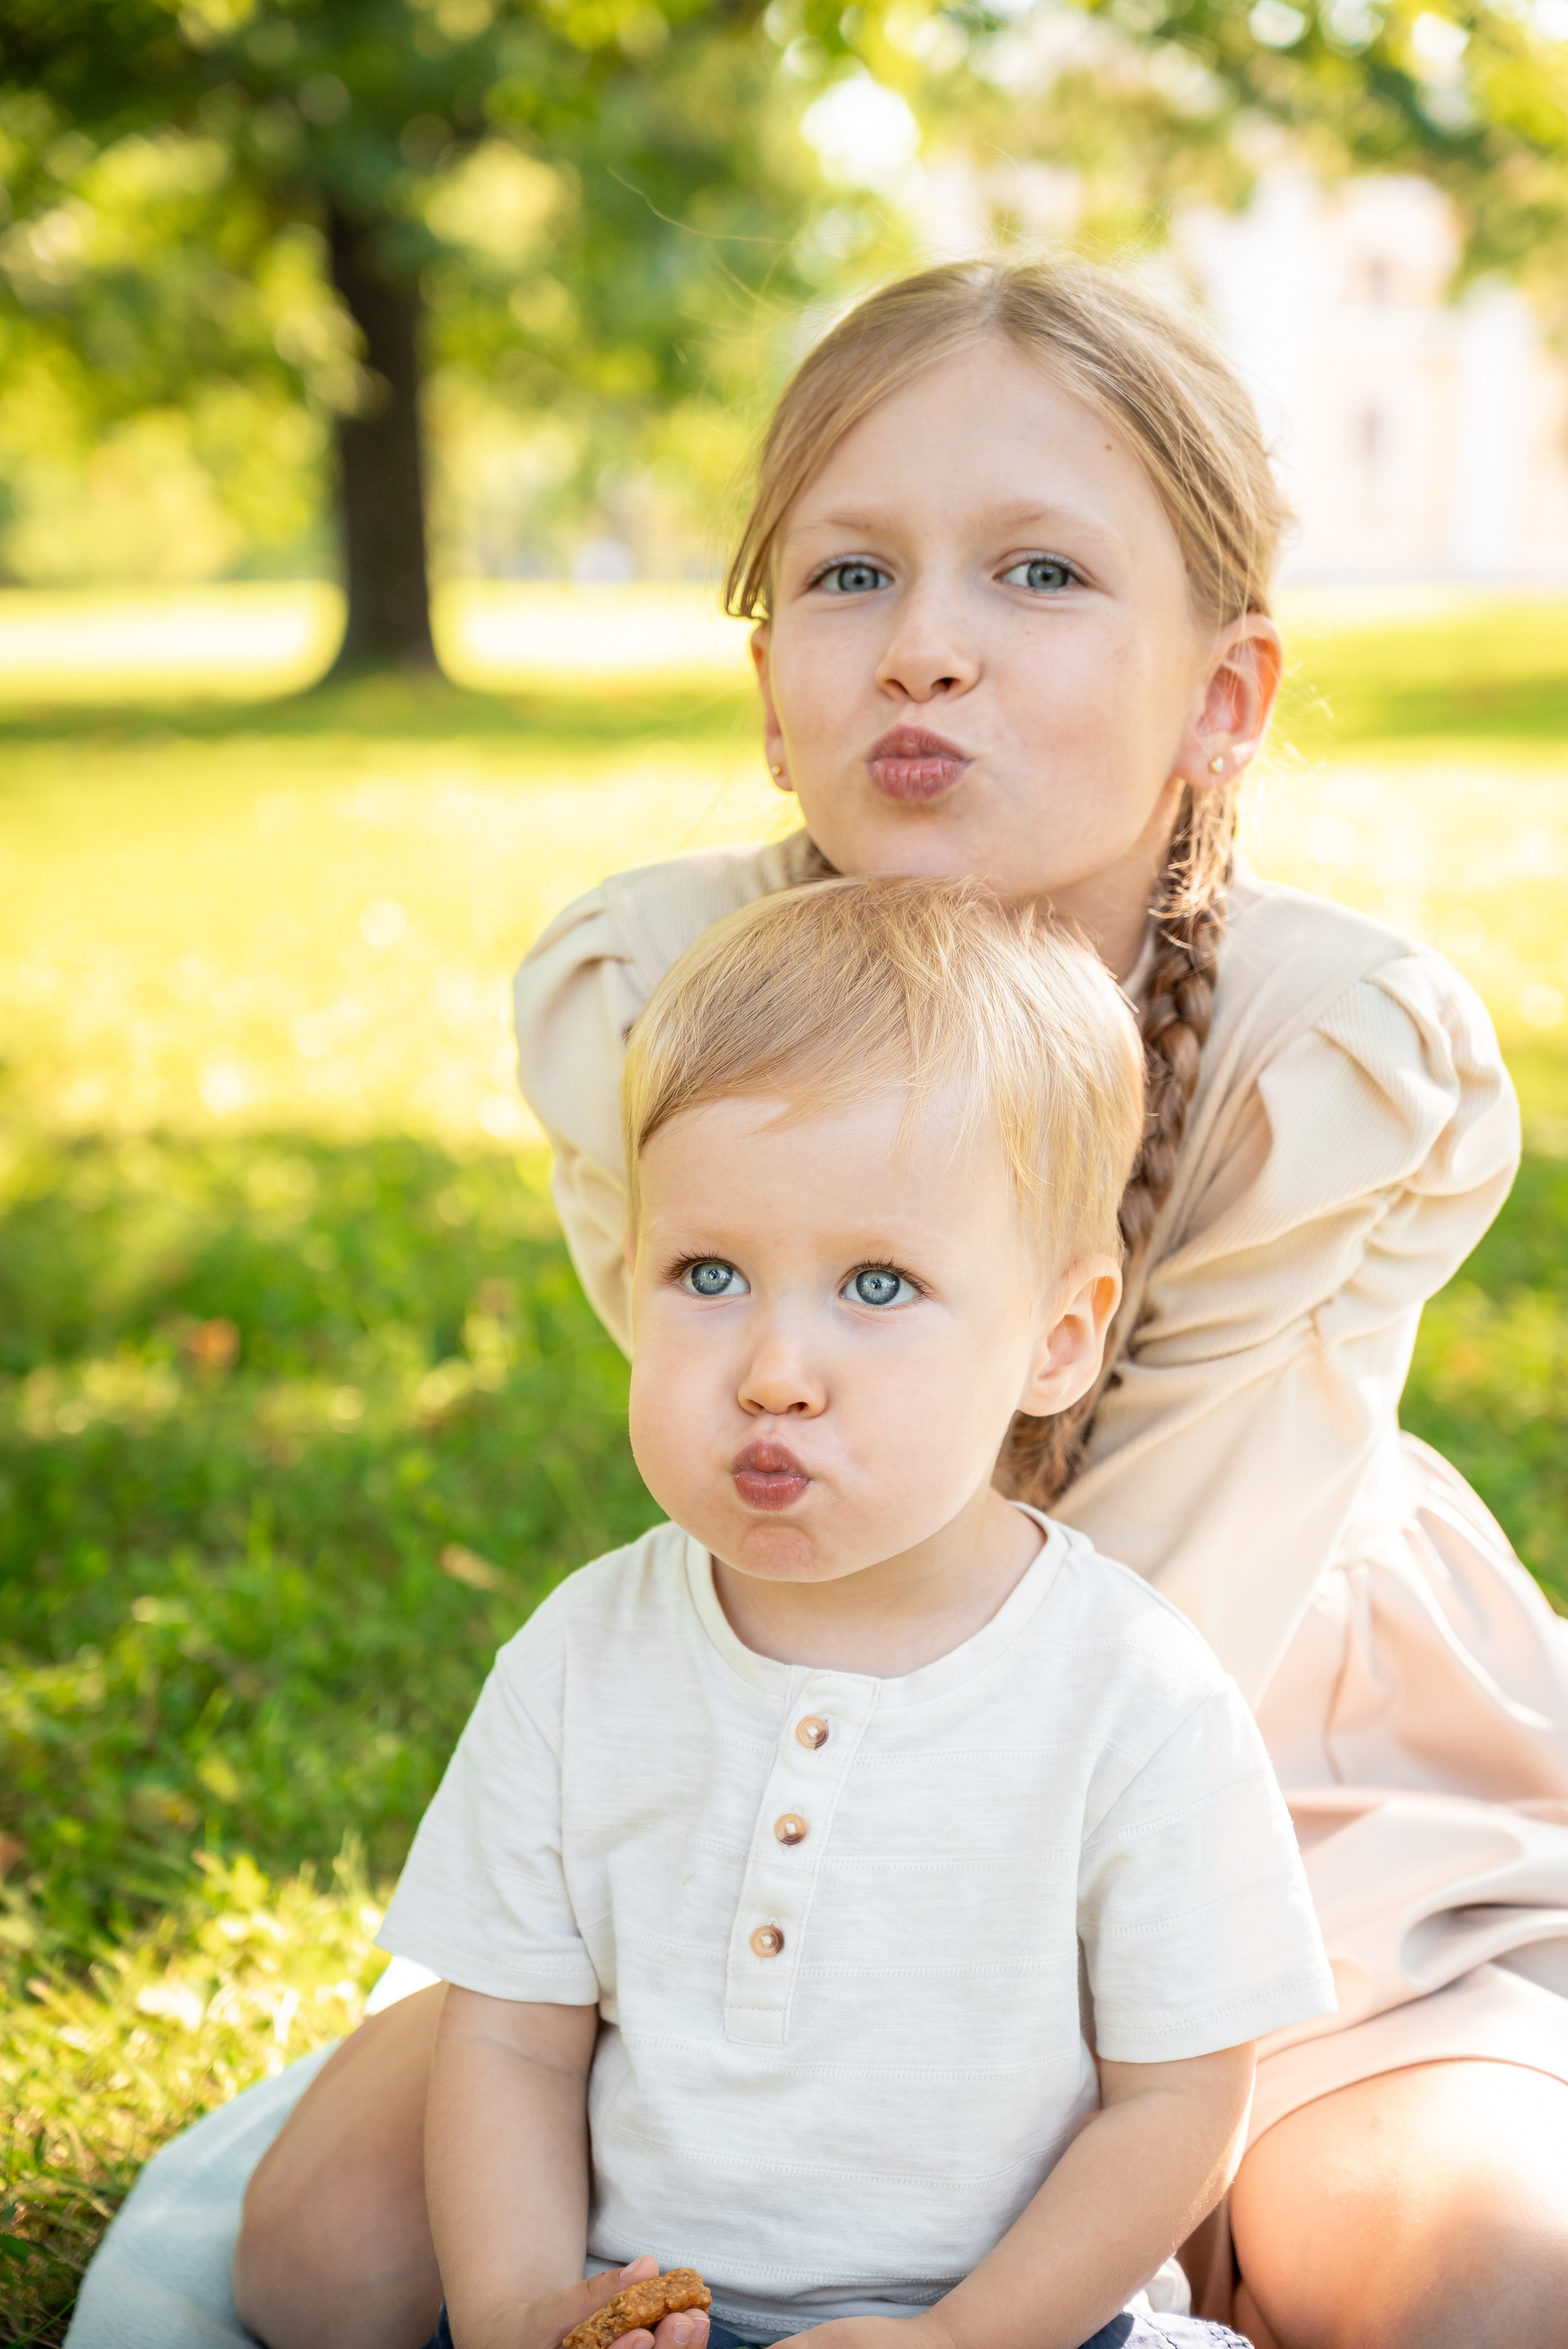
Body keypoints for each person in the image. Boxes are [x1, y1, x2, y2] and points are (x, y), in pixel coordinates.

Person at [69, 258, 1568, 2349]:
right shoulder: (657, 989)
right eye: (852, 575)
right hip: (804, 1673)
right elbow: (755, 1447)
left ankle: (1223, 2181)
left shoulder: (1328, 1053)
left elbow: (1165, 1622)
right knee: (329, 2254)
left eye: (1039, 573)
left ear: (1225, 696)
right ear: (773, 681)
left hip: (1242, 1727)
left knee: (1480, 2278)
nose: (928, 649)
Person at [377, 874, 1335, 2349]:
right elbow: (507, 2036)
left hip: (1022, 2329)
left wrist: (967, 2338)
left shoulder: (1125, 1688)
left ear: (1057, 1336)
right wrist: (517, 2303)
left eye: (876, 1284)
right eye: (706, 1273)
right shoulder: (582, 1655)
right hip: (652, 2318)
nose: (771, 1368)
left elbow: (1181, 2093)